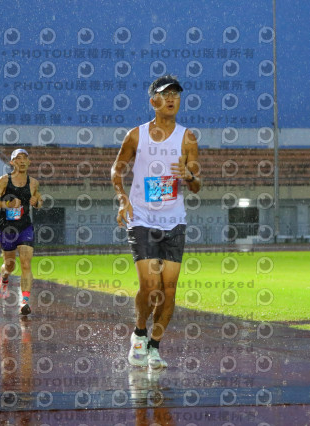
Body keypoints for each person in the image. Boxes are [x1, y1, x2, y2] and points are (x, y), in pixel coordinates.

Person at [111, 75, 201, 369]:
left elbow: (196, 185)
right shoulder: (136, 135)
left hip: (174, 221)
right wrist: (122, 198)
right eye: (165, 94)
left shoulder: (188, 138)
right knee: (150, 287)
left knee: (169, 291)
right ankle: (139, 333)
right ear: (153, 101)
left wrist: (188, 176)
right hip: (142, 218)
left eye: (176, 94)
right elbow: (116, 170)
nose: (172, 99)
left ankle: (154, 346)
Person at [0, 148, 42, 315]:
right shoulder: (4, 181)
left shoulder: (33, 183)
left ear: (29, 162)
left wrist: (36, 202)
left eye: (25, 157)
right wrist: (7, 205)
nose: (22, 160)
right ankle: (4, 277)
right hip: (7, 228)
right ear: (12, 162)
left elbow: (39, 201)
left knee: (26, 263)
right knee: (10, 265)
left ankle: (25, 302)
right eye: (18, 158)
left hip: (25, 227)